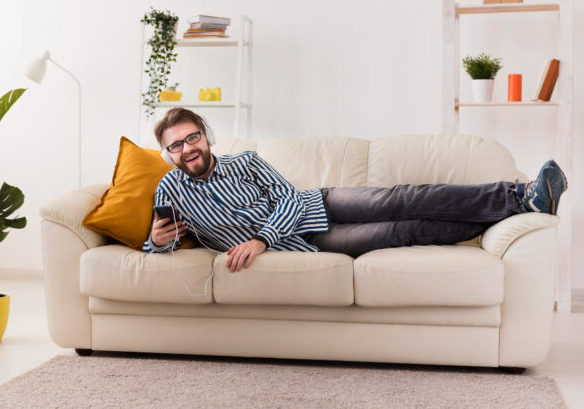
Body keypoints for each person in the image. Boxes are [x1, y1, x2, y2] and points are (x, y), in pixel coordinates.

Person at [142, 108, 568, 273]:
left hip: (315, 205)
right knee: (403, 230)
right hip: (306, 244)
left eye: (192, 137)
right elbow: (155, 246)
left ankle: (519, 196)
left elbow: (290, 198)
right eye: (175, 145)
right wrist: (157, 242)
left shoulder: (245, 162)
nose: (187, 149)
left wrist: (258, 239)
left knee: (403, 198)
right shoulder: (171, 188)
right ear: (167, 153)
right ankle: (507, 210)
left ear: (206, 135)